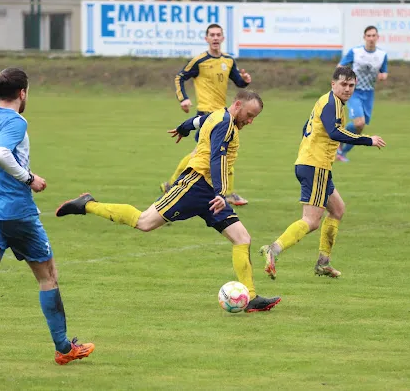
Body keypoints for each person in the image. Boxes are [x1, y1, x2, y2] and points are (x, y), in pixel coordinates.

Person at [56, 90, 281, 313]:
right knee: (144, 222)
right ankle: (87, 204)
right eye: (250, 115)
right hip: (195, 186)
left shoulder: (218, 115)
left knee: (242, 238)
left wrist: (183, 128)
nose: (250, 121)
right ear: (238, 104)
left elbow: (197, 120)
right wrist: (222, 194)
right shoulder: (225, 124)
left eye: (254, 118)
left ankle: (250, 297)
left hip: (210, 192)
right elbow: (217, 158)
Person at [0, 67, 95, 365]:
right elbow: (1, 153)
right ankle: (64, 348)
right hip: (16, 212)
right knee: (47, 276)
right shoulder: (15, 121)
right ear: (23, 93)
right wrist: (29, 179)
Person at [259, 67, 386, 280]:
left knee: (337, 210)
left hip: (316, 165)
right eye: (343, 84)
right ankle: (273, 249)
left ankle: (323, 262)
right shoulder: (331, 103)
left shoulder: (328, 102)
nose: (347, 89)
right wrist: (367, 140)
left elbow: (306, 128)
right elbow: (335, 131)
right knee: (311, 220)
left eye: (351, 85)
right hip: (314, 166)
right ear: (333, 84)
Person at [160, 23, 251, 207]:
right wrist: (183, 99)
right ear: (206, 38)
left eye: (218, 34)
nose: (215, 38)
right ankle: (229, 193)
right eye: (212, 35)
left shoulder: (229, 61)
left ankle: (170, 184)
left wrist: (245, 81)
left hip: (223, 114)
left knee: (205, 152)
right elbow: (180, 77)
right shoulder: (199, 61)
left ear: (223, 38)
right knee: (222, 151)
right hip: (207, 114)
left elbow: (238, 82)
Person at [336, 25, 388, 162]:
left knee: (360, 127)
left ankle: (341, 151)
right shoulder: (355, 52)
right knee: (359, 123)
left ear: (377, 38)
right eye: (368, 36)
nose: (371, 38)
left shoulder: (382, 55)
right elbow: (340, 67)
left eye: (373, 35)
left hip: (369, 94)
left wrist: (382, 76)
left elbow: (384, 72)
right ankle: (338, 144)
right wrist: (349, 76)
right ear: (364, 37)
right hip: (354, 92)